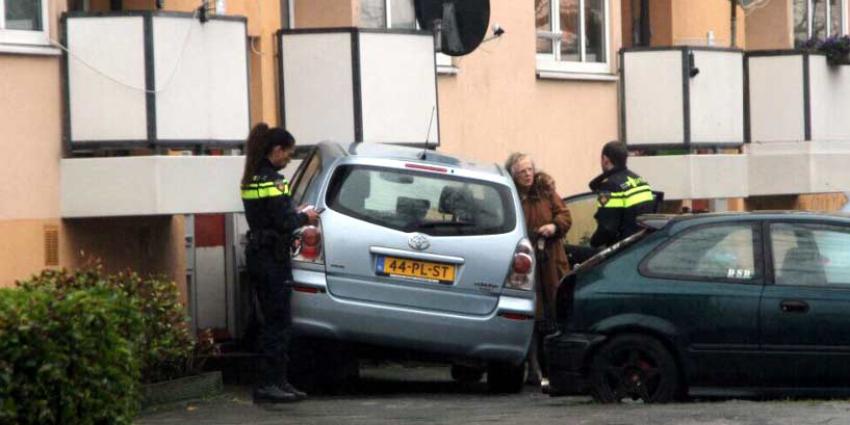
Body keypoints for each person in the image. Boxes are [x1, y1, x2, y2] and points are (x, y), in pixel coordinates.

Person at [241, 123, 319, 403]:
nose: (289, 159)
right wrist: (305, 217)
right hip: (272, 257)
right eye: (288, 153)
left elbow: (268, 215)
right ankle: (272, 383)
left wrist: (290, 213)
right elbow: (284, 221)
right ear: (276, 150)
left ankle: (276, 382)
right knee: (278, 322)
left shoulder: (251, 178)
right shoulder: (274, 181)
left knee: (271, 321)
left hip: (259, 254)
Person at [505, 153, 572, 388]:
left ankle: (555, 369)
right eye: (522, 171)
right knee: (531, 315)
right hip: (524, 263)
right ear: (513, 174)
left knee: (554, 314)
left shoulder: (545, 191)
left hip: (551, 261)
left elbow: (565, 215)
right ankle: (533, 369)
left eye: (529, 169)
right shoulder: (510, 195)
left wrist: (554, 226)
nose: (527, 174)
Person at [588, 141, 654, 249]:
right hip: (643, 245)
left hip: (622, 251)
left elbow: (607, 228)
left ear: (605, 159)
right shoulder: (640, 180)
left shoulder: (610, 185)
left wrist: (592, 244)